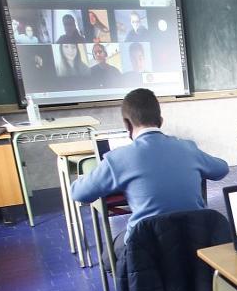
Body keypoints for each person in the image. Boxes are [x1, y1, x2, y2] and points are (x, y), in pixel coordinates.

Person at [70, 89, 228, 250]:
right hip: (195, 241)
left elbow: (79, 194)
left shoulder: (118, 158)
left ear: (126, 123)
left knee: (108, 255)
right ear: (160, 120)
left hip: (147, 248)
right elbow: (221, 169)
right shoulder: (187, 147)